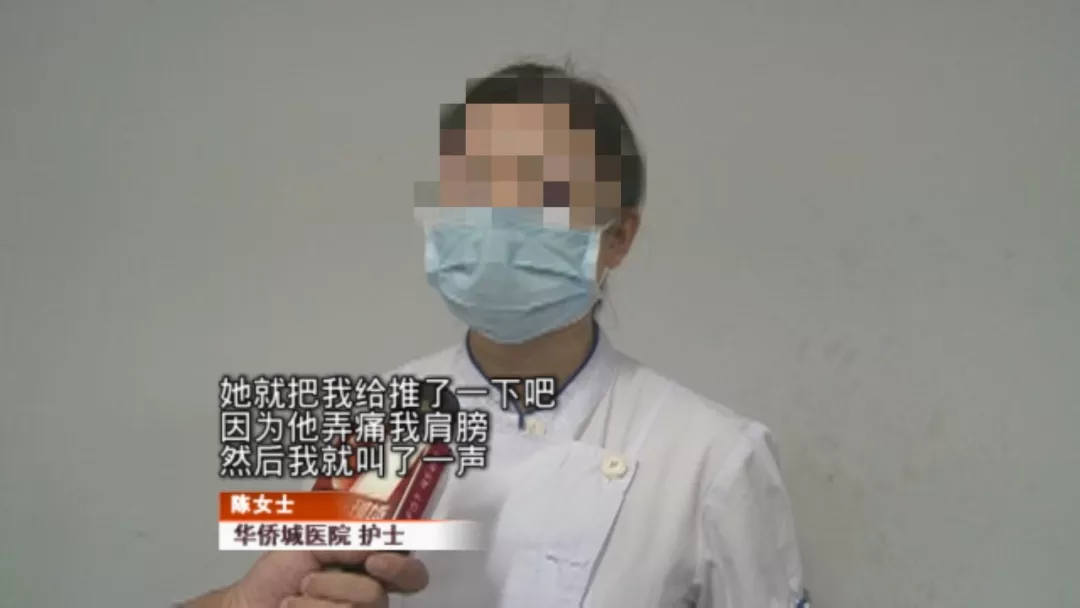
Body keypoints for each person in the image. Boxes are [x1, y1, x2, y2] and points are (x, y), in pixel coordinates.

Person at [184, 61, 808, 608]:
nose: (495, 220)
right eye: (471, 189)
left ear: (618, 236)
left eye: (541, 193)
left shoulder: (710, 459)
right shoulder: (379, 419)